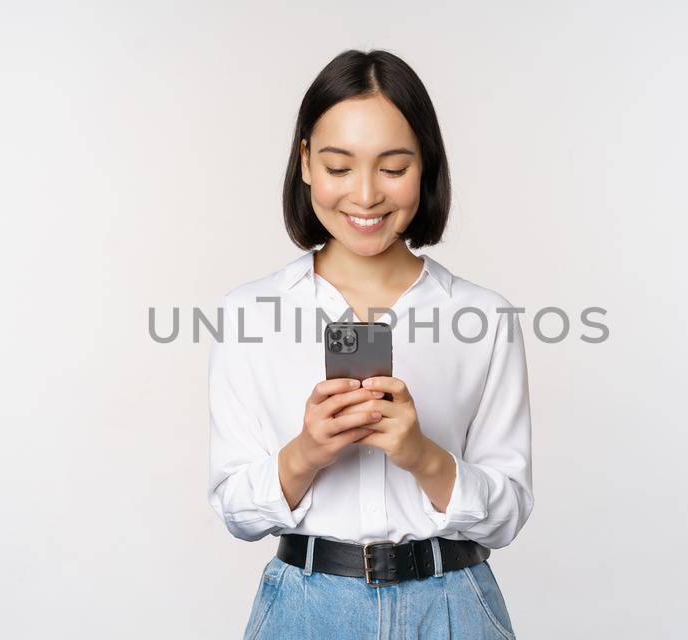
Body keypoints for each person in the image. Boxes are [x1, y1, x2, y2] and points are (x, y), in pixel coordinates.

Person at [207, 48, 533, 639]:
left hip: (453, 608)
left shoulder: (483, 317)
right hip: (305, 611)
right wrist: (307, 451)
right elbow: (235, 507)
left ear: (425, 166)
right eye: (338, 167)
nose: (364, 195)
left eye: (392, 167)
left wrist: (421, 456)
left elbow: (508, 514)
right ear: (305, 162)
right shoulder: (250, 312)